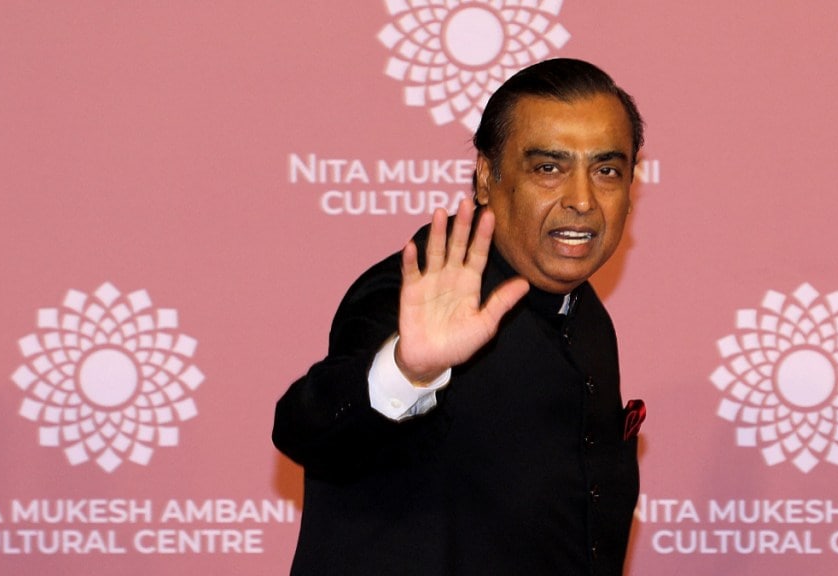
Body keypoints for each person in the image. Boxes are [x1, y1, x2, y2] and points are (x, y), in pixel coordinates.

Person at [273, 58, 646, 576]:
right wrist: (407, 370)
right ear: (487, 178)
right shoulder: (412, 295)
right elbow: (308, 429)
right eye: (548, 169)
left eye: (606, 171)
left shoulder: (588, 317)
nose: (583, 200)